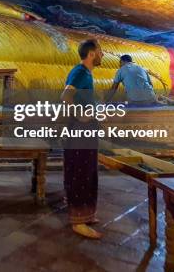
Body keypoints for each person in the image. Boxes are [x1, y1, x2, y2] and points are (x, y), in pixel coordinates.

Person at [60, 39, 104, 239]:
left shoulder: (85, 73)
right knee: (80, 171)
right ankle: (78, 221)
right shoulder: (79, 72)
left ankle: (85, 212)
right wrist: (80, 116)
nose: (103, 55)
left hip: (85, 128)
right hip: (80, 129)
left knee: (87, 170)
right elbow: (66, 96)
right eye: (101, 51)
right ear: (92, 53)